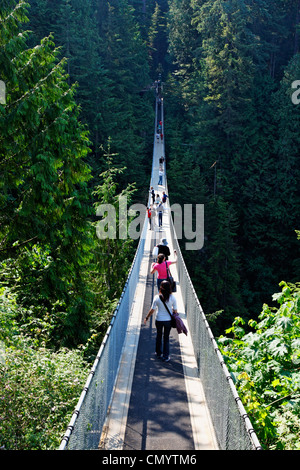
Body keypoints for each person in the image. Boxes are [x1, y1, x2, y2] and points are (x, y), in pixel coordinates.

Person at [144, 280, 177, 362]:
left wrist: (147, 317)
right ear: (169, 287)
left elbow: (152, 309)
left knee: (159, 336)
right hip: (168, 321)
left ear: (161, 287)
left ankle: (158, 353)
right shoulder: (172, 298)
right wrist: (172, 310)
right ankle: (166, 356)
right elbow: (175, 311)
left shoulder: (157, 297)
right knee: (166, 338)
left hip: (159, 320)